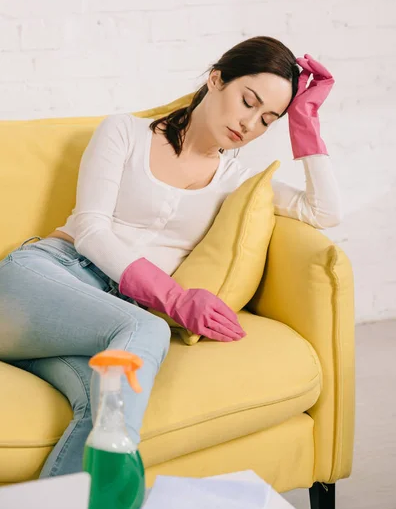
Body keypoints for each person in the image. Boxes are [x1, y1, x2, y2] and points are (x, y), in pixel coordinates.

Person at [0, 36, 341, 478]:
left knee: (104, 414)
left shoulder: (238, 180)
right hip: (41, 279)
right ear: (217, 79)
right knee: (147, 327)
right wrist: (175, 300)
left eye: (268, 119)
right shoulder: (124, 131)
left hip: (85, 329)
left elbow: (324, 212)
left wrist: (306, 122)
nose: (250, 123)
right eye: (248, 101)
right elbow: (89, 229)